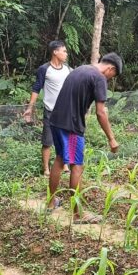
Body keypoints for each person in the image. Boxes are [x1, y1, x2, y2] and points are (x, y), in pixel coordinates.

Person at [46, 52, 123, 223]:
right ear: (111, 68)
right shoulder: (99, 78)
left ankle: (51, 203)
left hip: (56, 121)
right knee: (77, 167)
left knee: (59, 160)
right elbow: (101, 112)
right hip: (72, 127)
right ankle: (77, 214)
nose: (110, 79)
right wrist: (111, 138)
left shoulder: (80, 69)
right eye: (113, 76)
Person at [23, 40, 71, 177]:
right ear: (55, 52)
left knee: (64, 139)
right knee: (47, 141)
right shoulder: (44, 69)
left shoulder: (67, 69)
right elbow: (36, 88)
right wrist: (30, 108)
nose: (66, 54)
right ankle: (46, 169)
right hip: (50, 111)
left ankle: (65, 164)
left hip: (66, 111)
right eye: (64, 51)